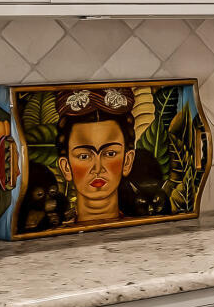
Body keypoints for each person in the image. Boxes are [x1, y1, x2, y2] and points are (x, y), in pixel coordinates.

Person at [14, 86, 160, 233]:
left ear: (127, 161)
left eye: (110, 153)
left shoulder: (145, 231)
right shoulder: (52, 236)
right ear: (66, 167)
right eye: (84, 156)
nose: (98, 168)